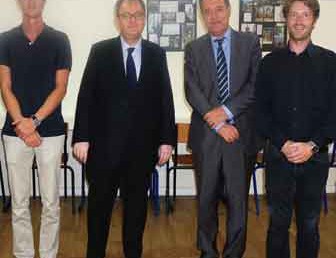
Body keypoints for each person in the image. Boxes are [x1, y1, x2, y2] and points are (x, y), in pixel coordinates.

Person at [72, 0, 176, 257]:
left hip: (141, 153)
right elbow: (86, 97)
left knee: (136, 215)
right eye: (126, 15)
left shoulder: (156, 54)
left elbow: (165, 99)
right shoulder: (100, 51)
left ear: (144, 19)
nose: (132, 20)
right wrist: (81, 137)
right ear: (117, 19)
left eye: (137, 15)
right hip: (103, 152)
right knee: (98, 214)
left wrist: (167, 140)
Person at [255, 0, 336, 258]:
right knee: (278, 223)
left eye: (305, 15)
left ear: (314, 20)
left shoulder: (331, 62)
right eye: (293, 14)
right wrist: (284, 144)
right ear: (286, 19)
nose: (299, 20)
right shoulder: (269, 63)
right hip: (279, 156)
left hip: (315, 158)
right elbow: (261, 112)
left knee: (309, 223)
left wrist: (311, 145)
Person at [184, 0, 261, 257]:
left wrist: (226, 112)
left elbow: (254, 86)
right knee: (206, 200)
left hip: (241, 136)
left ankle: (233, 253)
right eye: (207, 11)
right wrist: (217, 122)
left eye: (219, 9)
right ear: (202, 15)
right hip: (206, 137)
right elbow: (192, 90)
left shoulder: (250, 44)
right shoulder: (193, 48)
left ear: (229, 10)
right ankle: (207, 251)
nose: (213, 16)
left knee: (238, 203)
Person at [0, 0, 72, 258]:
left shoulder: (60, 40)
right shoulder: (5, 40)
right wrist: (22, 123)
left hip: (50, 132)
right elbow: (5, 86)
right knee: (19, 203)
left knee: (51, 203)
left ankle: (49, 255)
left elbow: (60, 87)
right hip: (14, 132)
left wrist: (35, 121)